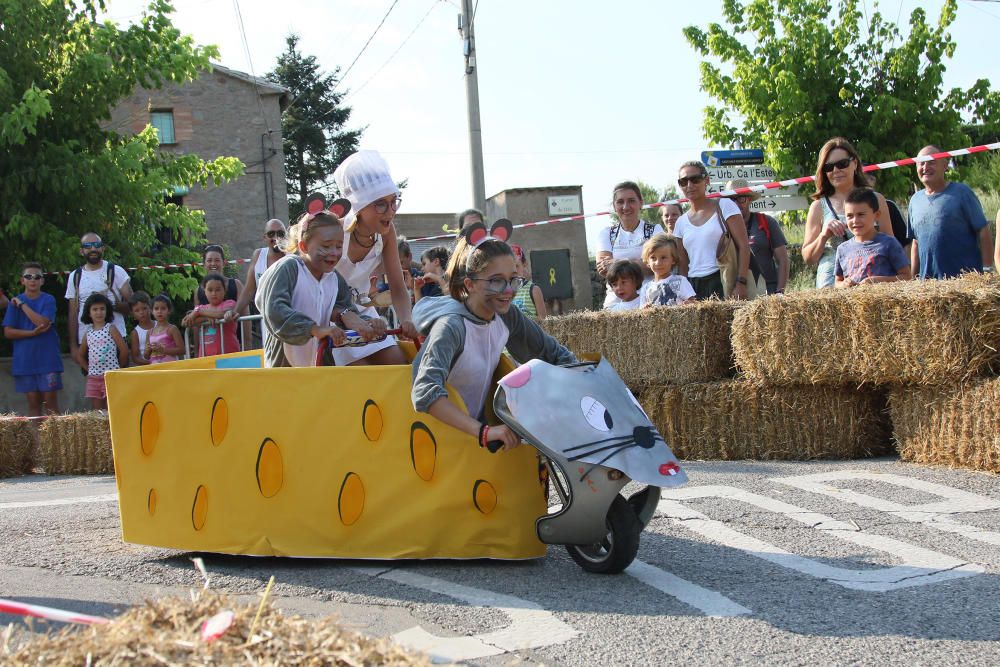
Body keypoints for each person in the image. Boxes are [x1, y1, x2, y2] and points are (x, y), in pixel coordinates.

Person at [411, 235, 576, 451]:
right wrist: (484, 431)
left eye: (513, 279)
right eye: (497, 281)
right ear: (470, 284)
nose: (508, 290)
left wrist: (586, 378)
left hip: (473, 438)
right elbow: (425, 392)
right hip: (436, 443)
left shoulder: (506, 315)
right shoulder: (452, 327)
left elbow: (553, 353)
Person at [256, 208, 375, 368]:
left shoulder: (334, 278)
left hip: (319, 366)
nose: (334, 253)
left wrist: (369, 324)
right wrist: (313, 329)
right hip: (284, 369)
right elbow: (275, 310)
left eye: (339, 246)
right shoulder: (289, 268)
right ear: (304, 246)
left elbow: (345, 309)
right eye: (326, 246)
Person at [333, 150, 417, 366]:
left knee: (397, 364)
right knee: (360, 376)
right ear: (359, 208)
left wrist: (407, 319)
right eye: (380, 204)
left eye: (393, 202)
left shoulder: (387, 233)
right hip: (331, 317)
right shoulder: (334, 232)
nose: (390, 211)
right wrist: (343, 316)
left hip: (364, 315)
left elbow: (398, 287)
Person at [801, 138, 890, 288]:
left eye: (842, 164)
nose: (836, 171)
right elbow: (808, 258)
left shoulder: (877, 200)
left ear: (854, 163)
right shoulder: (818, 207)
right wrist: (824, 236)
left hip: (870, 286)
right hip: (830, 289)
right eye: (829, 167)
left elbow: (891, 246)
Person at [907, 145, 992, 279]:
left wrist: (987, 270)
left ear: (945, 165)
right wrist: (913, 279)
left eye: (931, 162)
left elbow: (983, 230)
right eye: (921, 163)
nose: (925, 167)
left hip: (964, 283)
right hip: (927, 287)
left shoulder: (962, 193)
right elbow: (916, 243)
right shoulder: (915, 201)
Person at [673, 162, 751, 300]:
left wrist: (741, 282)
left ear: (707, 180)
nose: (689, 185)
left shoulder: (725, 205)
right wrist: (684, 294)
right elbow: (683, 264)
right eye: (683, 181)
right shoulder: (680, 222)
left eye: (695, 179)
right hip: (694, 287)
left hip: (723, 279)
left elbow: (744, 246)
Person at [2, 262, 63, 416]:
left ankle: (56, 440)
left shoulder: (48, 300)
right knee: (34, 405)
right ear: (22, 280)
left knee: (51, 404)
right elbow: (8, 332)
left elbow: (42, 323)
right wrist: (31, 334)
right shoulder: (13, 304)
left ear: (42, 280)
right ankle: (37, 441)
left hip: (47, 360)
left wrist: (22, 305)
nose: (33, 280)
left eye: (37, 277)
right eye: (28, 276)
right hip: (25, 361)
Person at [65, 232, 133, 366]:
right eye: (88, 246)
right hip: (86, 341)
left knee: (118, 385)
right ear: (81, 250)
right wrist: (73, 347)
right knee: (94, 385)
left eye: (97, 245)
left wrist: (110, 305)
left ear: (103, 248)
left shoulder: (116, 271)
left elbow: (134, 306)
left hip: (116, 340)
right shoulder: (75, 276)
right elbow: (73, 313)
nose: (93, 249)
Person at [595, 181, 665, 307]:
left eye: (631, 201)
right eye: (620, 202)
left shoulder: (655, 230)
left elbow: (658, 265)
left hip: (650, 299)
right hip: (615, 303)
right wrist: (640, 262)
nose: (626, 207)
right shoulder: (606, 233)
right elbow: (604, 269)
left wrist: (616, 263)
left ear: (641, 203)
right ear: (614, 206)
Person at [725, 179, 790, 294]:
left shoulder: (766, 222)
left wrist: (780, 292)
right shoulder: (721, 227)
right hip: (734, 292)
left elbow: (783, 259)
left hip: (767, 292)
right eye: (731, 199)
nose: (736, 204)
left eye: (741, 198)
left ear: (749, 199)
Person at [835, 188, 911, 287]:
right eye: (849, 216)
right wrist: (844, 284)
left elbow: (907, 277)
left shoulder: (889, 243)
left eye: (861, 214)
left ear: (877, 215)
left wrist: (879, 281)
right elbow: (837, 282)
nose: (855, 221)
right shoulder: (842, 249)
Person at [232, 219, 287, 347]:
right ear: (264, 237)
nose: (276, 238)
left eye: (280, 233)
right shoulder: (258, 255)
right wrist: (236, 311)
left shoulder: (293, 256)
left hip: (289, 322)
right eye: (271, 234)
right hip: (267, 323)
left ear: (286, 235)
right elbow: (249, 289)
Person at [79, 293, 128, 409]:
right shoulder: (88, 334)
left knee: (113, 408)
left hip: (111, 376)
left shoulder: (111, 329)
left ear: (107, 311)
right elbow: (80, 355)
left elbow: (124, 350)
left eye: (102, 309)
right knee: (98, 412)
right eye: (95, 309)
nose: (99, 312)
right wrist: (89, 370)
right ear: (89, 313)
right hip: (94, 378)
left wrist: (117, 367)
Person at [184, 274, 240, 357]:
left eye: (218, 290)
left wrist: (199, 312)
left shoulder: (230, 303)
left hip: (229, 354)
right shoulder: (202, 308)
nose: (214, 293)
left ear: (224, 291)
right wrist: (205, 318)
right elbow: (185, 322)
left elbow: (221, 314)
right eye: (210, 290)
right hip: (206, 356)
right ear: (205, 291)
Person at [639, 234, 696, 307]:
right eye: (653, 258)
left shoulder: (680, 281)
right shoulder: (646, 288)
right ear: (647, 261)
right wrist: (645, 310)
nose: (658, 263)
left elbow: (694, 304)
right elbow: (641, 313)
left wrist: (688, 304)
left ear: (673, 259)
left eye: (663, 257)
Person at [510, 244, 547, 320]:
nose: (513, 271)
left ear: (524, 264)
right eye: (510, 267)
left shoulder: (534, 290)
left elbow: (543, 321)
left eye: (517, 266)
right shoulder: (503, 291)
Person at [146, 294, 183, 364]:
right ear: (152, 311)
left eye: (163, 308)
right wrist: (148, 350)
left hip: (170, 368)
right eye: (156, 308)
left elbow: (182, 350)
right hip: (155, 370)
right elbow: (146, 356)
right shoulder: (149, 332)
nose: (159, 311)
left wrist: (163, 350)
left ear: (169, 310)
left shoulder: (172, 329)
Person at [127, 291, 154, 366]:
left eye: (144, 308)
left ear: (150, 308)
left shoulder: (160, 325)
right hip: (148, 369)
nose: (141, 312)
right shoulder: (135, 333)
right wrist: (151, 363)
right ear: (133, 314)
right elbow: (135, 358)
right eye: (137, 310)